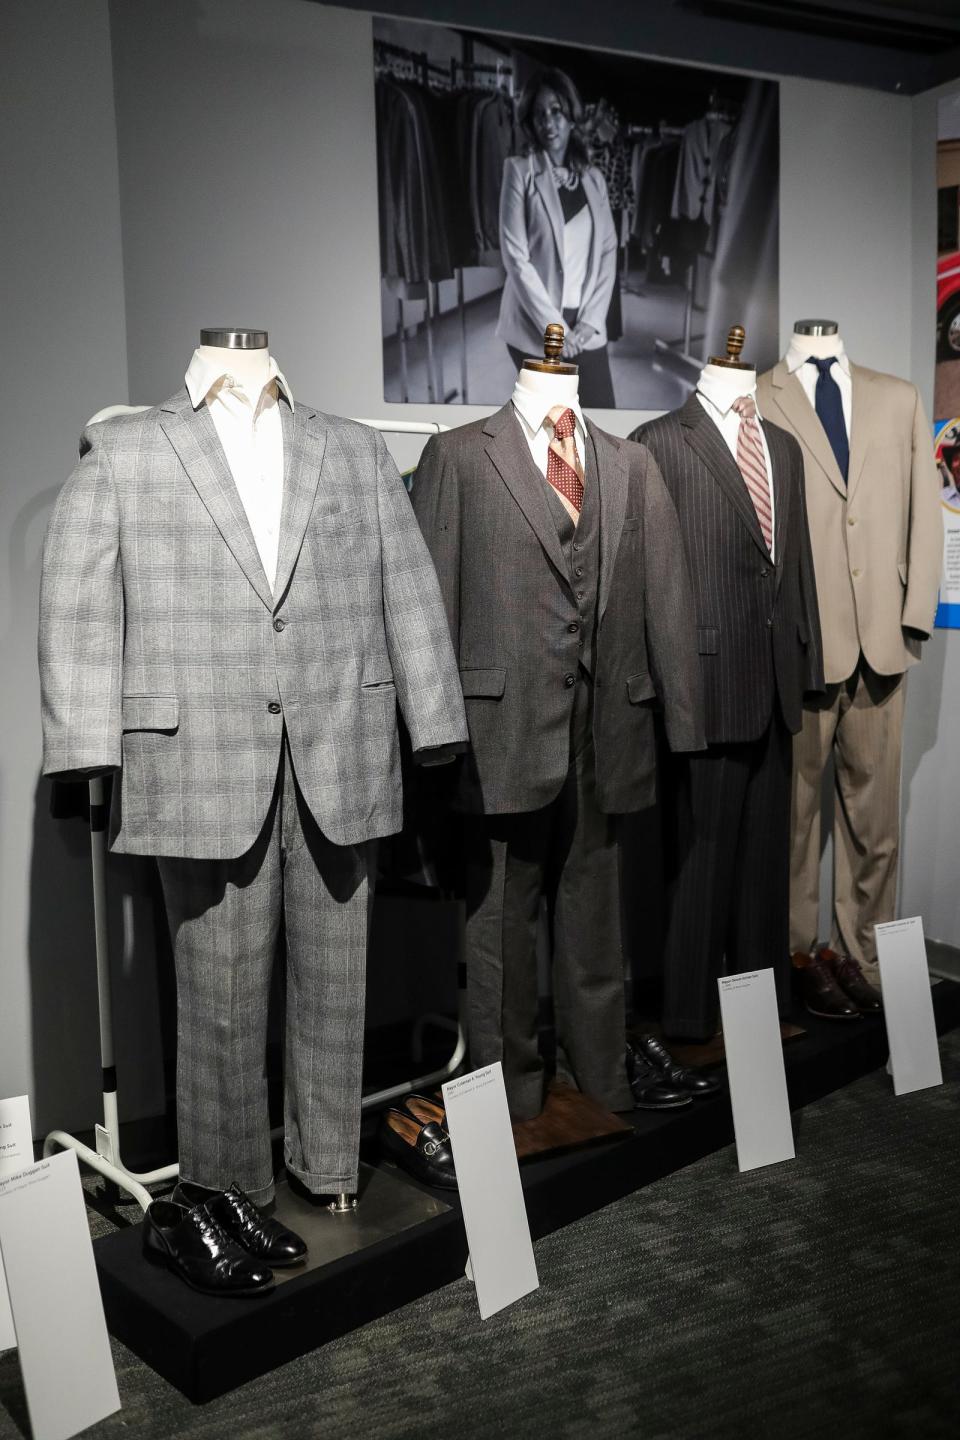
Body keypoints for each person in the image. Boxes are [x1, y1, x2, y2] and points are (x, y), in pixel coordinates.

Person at [496, 68, 618, 408]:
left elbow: (609, 250)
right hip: (534, 329)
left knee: (601, 419)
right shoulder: (519, 171)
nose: (548, 122)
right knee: (552, 430)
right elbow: (515, 258)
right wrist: (556, 330)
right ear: (530, 122)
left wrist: (591, 322)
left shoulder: (594, 179)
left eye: (556, 112)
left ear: (571, 115)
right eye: (539, 115)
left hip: (586, 329)